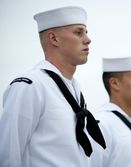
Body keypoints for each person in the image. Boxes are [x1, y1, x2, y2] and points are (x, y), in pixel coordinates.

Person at [0, 6, 106, 167]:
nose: (88, 39)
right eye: (79, 32)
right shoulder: (30, 86)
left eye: (86, 32)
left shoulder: (74, 89)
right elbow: (8, 156)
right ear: (54, 39)